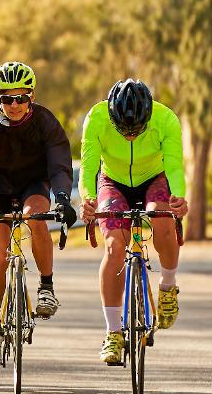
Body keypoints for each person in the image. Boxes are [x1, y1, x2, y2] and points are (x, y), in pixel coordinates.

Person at [0, 61, 76, 371]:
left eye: (21, 98)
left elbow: (60, 164)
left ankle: (47, 287)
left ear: (31, 97)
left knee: (35, 217)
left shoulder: (45, 121)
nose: (14, 105)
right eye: (7, 99)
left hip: (33, 185)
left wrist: (63, 198)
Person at [79, 79, 188, 365]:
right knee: (114, 247)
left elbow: (174, 164)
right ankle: (113, 332)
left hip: (154, 178)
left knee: (161, 217)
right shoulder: (96, 118)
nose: (129, 135)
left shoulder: (165, 119)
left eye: (137, 130)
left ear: (148, 117)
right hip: (112, 181)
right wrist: (88, 199)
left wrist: (178, 197)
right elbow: (89, 167)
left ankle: (168, 286)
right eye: (123, 129)